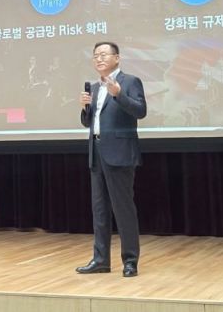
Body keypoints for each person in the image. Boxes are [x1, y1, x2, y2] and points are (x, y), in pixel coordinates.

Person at [77, 41, 147, 278]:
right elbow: (89, 122)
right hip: (96, 152)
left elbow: (140, 111)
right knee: (99, 210)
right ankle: (100, 260)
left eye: (104, 54)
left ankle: (130, 261)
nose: (99, 59)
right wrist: (84, 109)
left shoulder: (130, 82)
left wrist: (118, 94)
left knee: (123, 209)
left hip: (120, 153)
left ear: (117, 58)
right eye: (95, 55)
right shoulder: (95, 87)